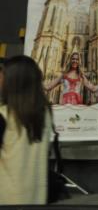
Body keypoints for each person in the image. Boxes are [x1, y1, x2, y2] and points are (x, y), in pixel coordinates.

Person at [0, 55, 52, 205]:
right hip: (35, 197)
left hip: (5, 198)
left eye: (3, 74)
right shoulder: (45, 113)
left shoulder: (4, 115)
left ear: (13, 81)